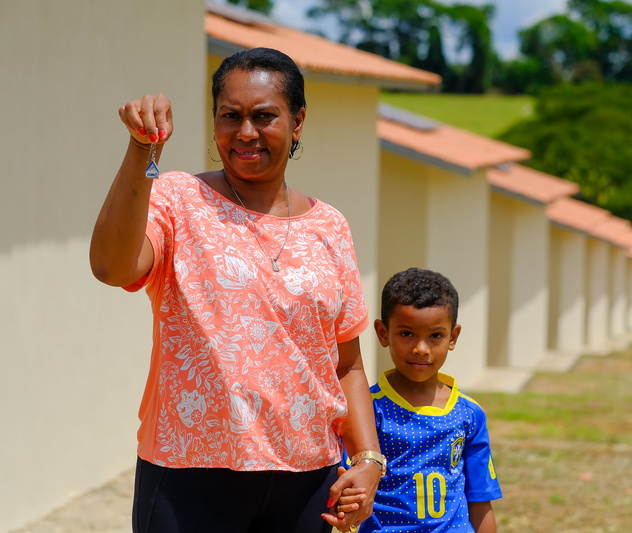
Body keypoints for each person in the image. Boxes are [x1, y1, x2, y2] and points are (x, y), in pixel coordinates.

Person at [90, 47, 384, 533]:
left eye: (264, 116)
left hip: (307, 481)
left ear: (298, 121)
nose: (246, 132)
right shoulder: (179, 199)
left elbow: (347, 363)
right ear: (214, 122)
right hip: (190, 475)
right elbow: (111, 266)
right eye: (231, 116)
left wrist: (368, 460)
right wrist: (143, 150)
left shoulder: (330, 227)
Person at [340, 268, 502, 532]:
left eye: (435, 336)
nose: (421, 348)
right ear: (383, 333)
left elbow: (481, 502)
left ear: (453, 337)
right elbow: (349, 486)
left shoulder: (469, 414)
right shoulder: (366, 409)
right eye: (406, 334)